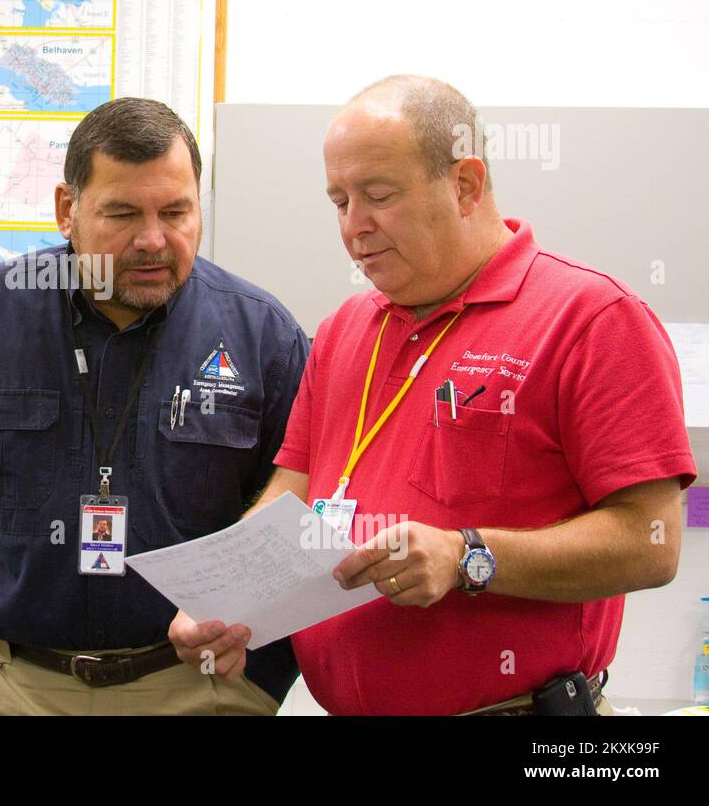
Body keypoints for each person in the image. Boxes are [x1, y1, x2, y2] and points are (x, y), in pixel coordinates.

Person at [169, 75, 697, 715]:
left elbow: (651, 540)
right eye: (339, 202)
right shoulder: (343, 330)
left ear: (466, 185)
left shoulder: (591, 319)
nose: (353, 227)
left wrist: (469, 556)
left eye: (379, 196)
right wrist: (229, 601)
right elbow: (298, 490)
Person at [0, 97, 309, 715]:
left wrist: (260, 682)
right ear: (66, 210)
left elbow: (306, 511)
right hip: (15, 687)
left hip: (201, 690)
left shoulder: (261, 334)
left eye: (177, 212)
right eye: (123, 214)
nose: (154, 239)